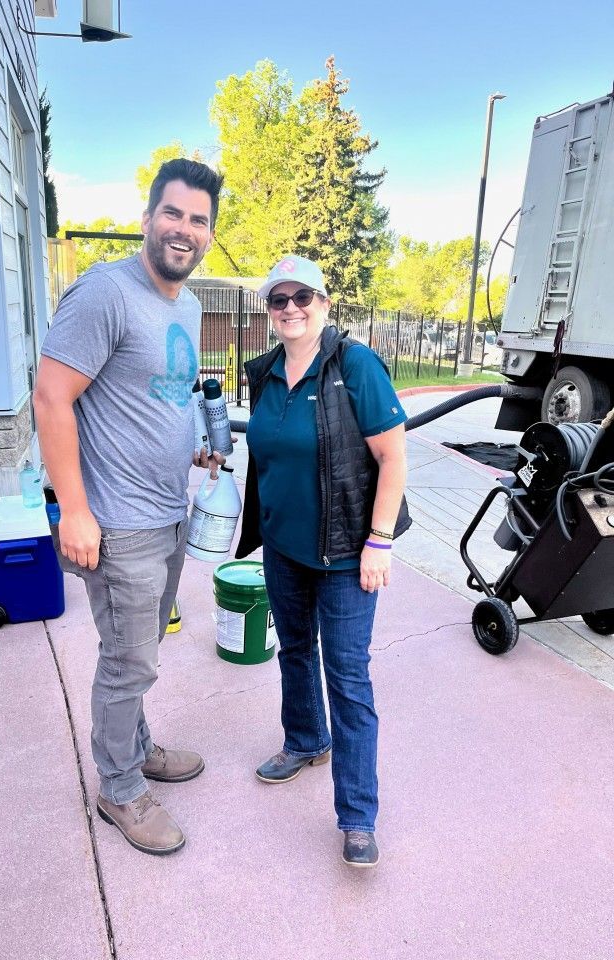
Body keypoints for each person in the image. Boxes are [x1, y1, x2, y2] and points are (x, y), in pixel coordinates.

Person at [33, 159, 224, 857]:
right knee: (128, 660)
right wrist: (73, 510)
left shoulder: (188, 304)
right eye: (172, 214)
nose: (184, 229)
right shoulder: (104, 294)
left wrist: (198, 448)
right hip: (118, 522)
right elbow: (52, 398)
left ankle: (137, 747)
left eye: (198, 220)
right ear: (147, 219)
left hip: (169, 510)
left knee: (141, 650)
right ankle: (118, 787)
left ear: (208, 234)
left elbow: (165, 392)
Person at [235, 255, 409, 868]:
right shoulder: (264, 373)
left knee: (349, 678)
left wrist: (379, 542)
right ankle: (306, 738)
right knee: (294, 650)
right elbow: (267, 450)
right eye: (278, 300)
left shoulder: (354, 366)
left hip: (346, 555)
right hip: (284, 548)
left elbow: (393, 460)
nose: (290, 308)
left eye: (301, 297)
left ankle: (357, 817)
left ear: (324, 302)